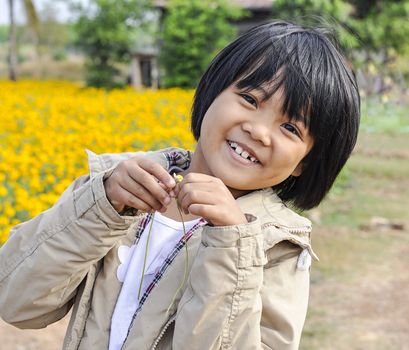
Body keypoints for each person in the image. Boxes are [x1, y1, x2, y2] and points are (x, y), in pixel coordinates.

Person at [0, 21, 360, 349]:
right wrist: (103, 205)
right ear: (210, 94)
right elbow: (16, 301)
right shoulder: (116, 188)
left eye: (290, 128)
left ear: (305, 163)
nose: (258, 130)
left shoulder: (276, 249)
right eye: (250, 99)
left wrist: (231, 246)